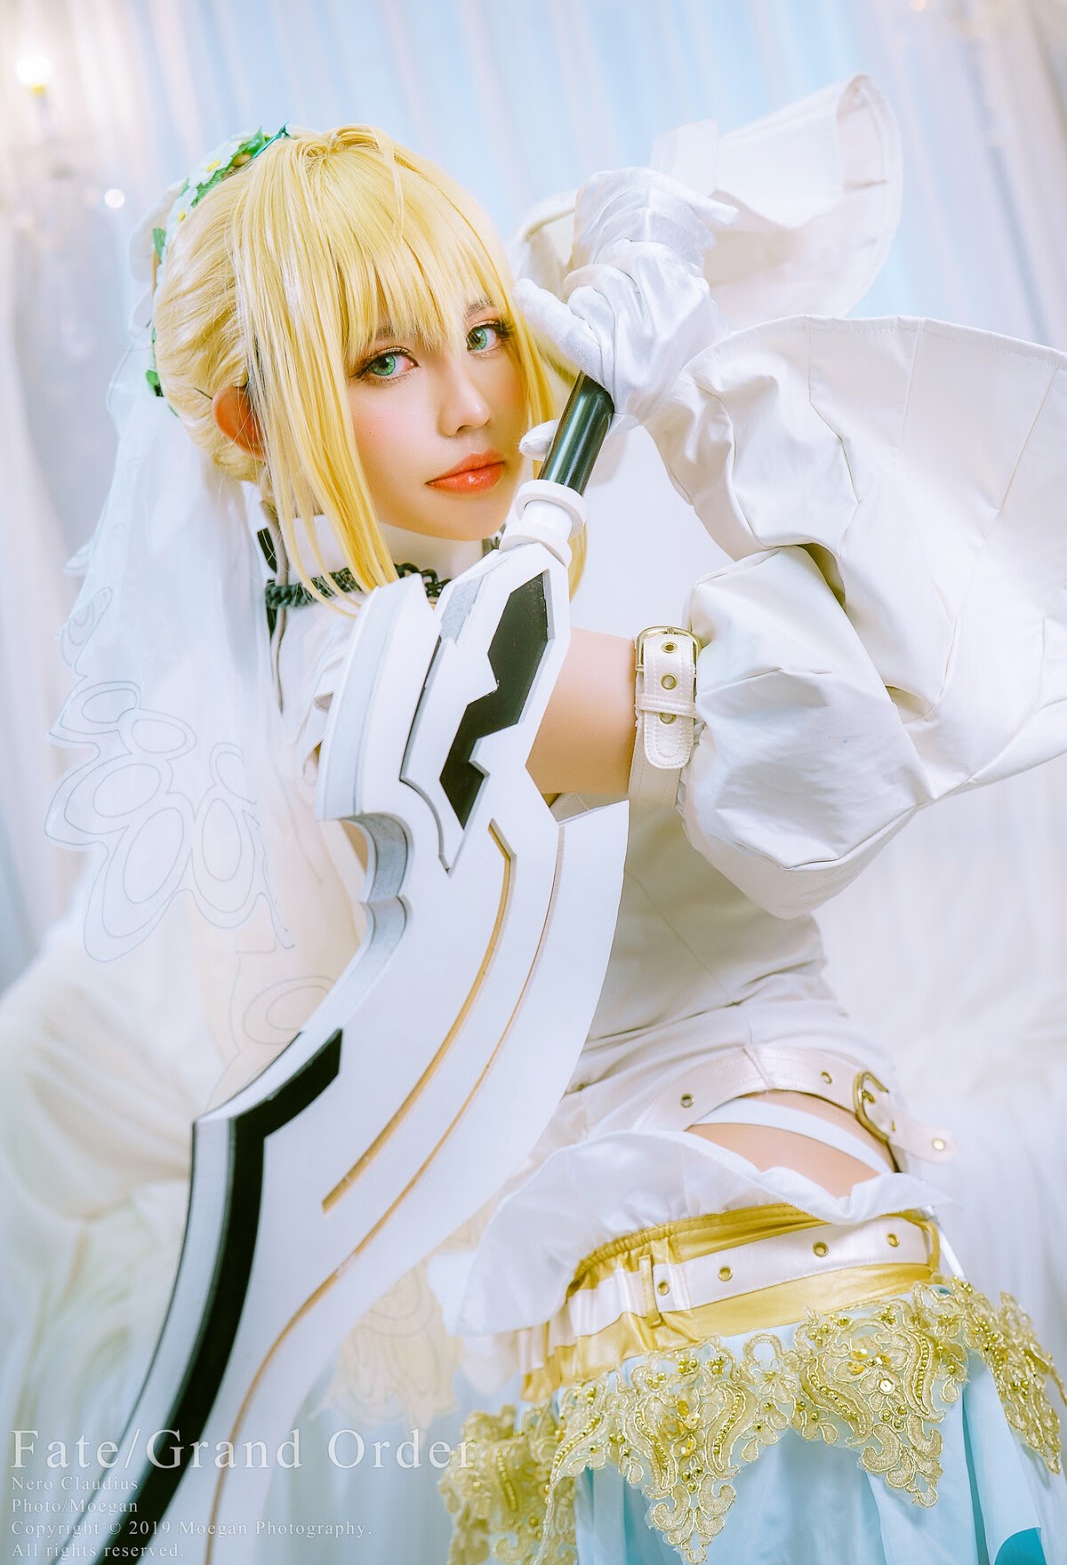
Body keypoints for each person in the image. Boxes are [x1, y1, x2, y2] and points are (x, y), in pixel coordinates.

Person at [1, 90, 1064, 1565]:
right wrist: (693, 400)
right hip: (757, 1267)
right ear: (249, 422)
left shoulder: (374, 646)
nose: (469, 403)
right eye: (385, 360)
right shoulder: (418, 669)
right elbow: (880, 696)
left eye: (486, 333)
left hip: (730, 1275)